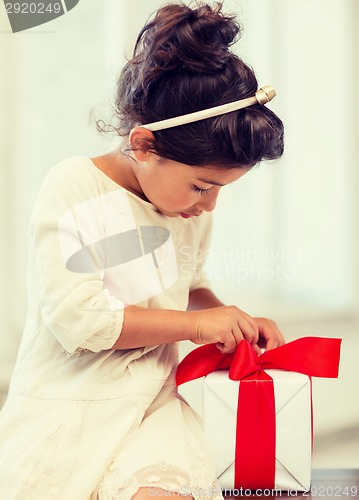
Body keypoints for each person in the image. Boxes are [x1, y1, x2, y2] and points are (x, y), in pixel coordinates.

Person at [0, 2, 285, 499]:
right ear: (145, 145)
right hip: (72, 405)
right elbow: (81, 321)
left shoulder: (184, 212)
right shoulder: (75, 187)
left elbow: (185, 289)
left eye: (221, 189)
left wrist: (227, 318)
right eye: (201, 186)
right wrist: (197, 326)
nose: (210, 204)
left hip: (154, 404)